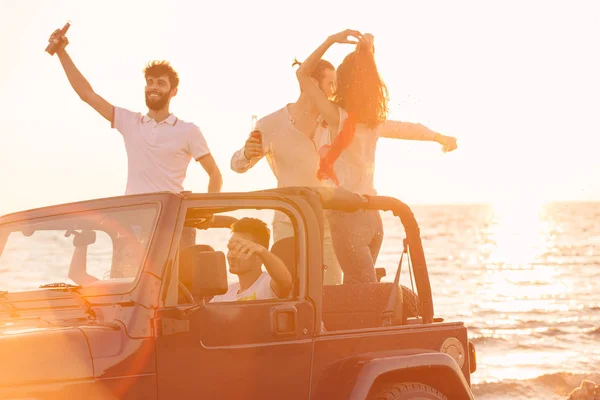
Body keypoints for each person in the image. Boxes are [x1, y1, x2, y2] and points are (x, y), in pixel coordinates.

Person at [296, 30, 458, 284]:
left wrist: (330, 40)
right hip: (373, 215)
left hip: (347, 215)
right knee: (360, 289)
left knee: (361, 292)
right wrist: (439, 137)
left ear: (344, 83)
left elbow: (302, 75)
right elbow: (409, 129)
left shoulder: (338, 118)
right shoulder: (373, 123)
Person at [47, 28, 222, 248]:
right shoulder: (130, 121)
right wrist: (62, 52)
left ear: (173, 91)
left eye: (160, 83)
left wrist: (208, 211)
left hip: (173, 223)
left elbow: (215, 174)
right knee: (127, 279)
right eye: (150, 82)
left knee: (178, 282)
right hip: (132, 221)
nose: (153, 87)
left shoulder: (188, 131)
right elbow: (87, 95)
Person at [230, 60, 343, 285]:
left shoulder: (335, 121)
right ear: (311, 83)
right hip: (288, 220)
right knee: (290, 287)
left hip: (331, 220)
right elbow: (237, 165)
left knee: (332, 291)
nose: (334, 91)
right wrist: (247, 153)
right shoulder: (270, 124)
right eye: (331, 84)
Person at [211, 218, 292, 302]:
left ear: (258, 256)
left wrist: (263, 252)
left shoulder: (267, 285)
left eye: (239, 249)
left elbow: (285, 282)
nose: (231, 255)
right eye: (230, 249)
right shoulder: (223, 295)